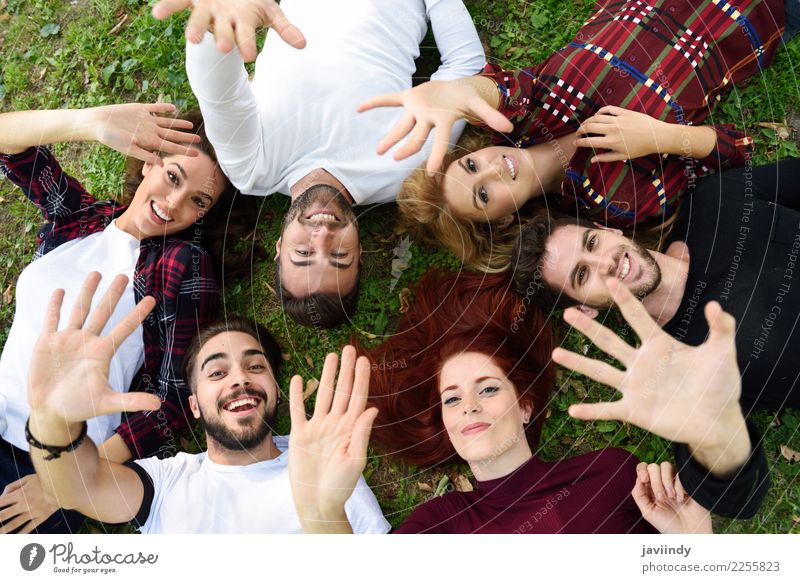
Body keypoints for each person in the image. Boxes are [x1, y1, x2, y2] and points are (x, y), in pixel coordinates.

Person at [286, 270, 767, 534]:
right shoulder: (439, 526)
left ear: (526, 406)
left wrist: (695, 552)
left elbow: (737, 501)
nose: (469, 406)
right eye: (451, 400)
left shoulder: (609, 474)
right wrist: (322, 512)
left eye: (488, 388)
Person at [359, 0, 788, 271]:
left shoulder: (521, 118)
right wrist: (663, 136)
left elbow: (495, 89)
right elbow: (738, 150)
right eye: (483, 195)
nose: (490, 171)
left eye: (471, 165)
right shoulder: (616, 199)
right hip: (759, 13)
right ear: (505, 220)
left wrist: (455, 91)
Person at [0, 103, 259, 534]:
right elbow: (9, 144)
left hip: (40, 462)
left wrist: (66, 481)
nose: (174, 203)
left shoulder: (182, 265)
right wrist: (91, 123)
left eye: (198, 200)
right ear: (148, 163)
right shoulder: (80, 220)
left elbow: (171, 402)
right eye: (172, 176)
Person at [151, 0, 486, 326]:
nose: (323, 235)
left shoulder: (252, 169)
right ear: (360, 252)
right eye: (339, 257)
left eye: (304, 254)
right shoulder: (405, 168)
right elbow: (465, 69)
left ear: (280, 246)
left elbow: (220, 96)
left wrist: (217, 24)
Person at [26, 274, 389, 534]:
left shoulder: (326, 468)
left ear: (275, 390)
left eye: (255, 366)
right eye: (216, 373)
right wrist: (52, 421)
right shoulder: (167, 482)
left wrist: (323, 515)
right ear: (194, 405)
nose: (239, 378)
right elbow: (77, 487)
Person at [510, 159, 800, 412]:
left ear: (608, 229)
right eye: (582, 275)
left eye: (592, 243)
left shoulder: (713, 201)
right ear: (584, 310)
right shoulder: (677, 373)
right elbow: (722, 459)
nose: (605, 263)